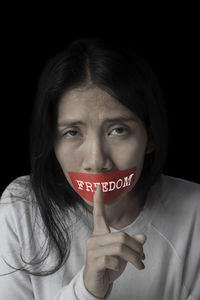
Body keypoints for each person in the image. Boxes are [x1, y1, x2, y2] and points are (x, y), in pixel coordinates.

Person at [0, 37, 199, 300]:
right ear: (51, 141)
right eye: (72, 132)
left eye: (118, 130)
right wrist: (87, 290)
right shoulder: (21, 206)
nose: (96, 160)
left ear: (150, 136)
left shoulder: (195, 210)